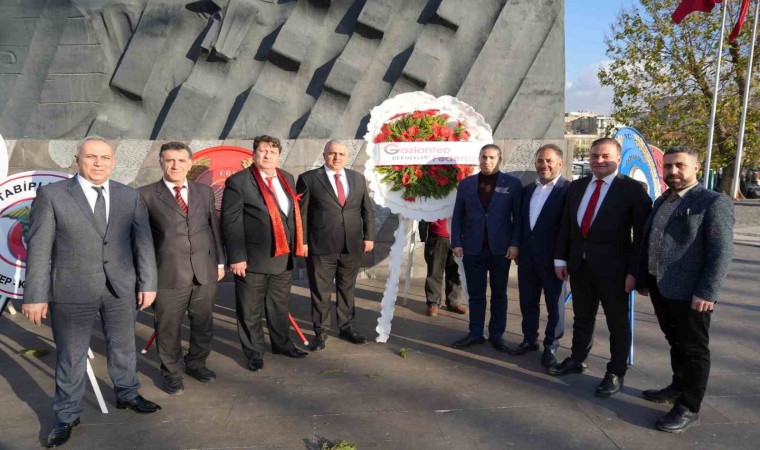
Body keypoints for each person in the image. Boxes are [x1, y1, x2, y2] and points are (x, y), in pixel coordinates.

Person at [23, 136, 161, 449]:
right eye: (91, 157)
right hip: (71, 291)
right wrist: (35, 295)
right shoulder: (53, 195)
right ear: (77, 160)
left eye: (105, 157)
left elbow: (143, 243)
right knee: (71, 356)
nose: (99, 163)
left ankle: (127, 393)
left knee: (123, 346)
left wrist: (148, 283)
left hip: (120, 288)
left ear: (113, 161)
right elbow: (39, 248)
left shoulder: (128, 196)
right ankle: (67, 414)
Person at [637, 146, 734, 433]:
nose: (673, 171)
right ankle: (678, 387)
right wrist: (644, 278)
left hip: (692, 292)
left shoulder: (713, 202)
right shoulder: (662, 200)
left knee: (694, 349)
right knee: (675, 341)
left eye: (680, 165)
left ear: (696, 168)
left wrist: (707, 291)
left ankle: (689, 406)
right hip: (661, 286)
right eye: (668, 166)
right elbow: (650, 240)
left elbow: (721, 251)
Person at [550, 137, 652, 398]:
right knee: (582, 317)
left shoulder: (633, 189)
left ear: (618, 158)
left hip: (615, 271)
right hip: (579, 267)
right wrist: (561, 259)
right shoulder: (577, 186)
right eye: (595, 156)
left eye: (605, 156)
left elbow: (642, 237)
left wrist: (635, 273)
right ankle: (577, 358)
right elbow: (566, 225)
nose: (599, 161)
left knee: (617, 323)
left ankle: (616, 372)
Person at [139, 142, 225, 395]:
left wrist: (220, 262)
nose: (175, 165)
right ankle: (172, 373)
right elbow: (141, 241)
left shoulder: (204, 192)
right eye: (170, 160)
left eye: (181, 160)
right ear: (161, 163)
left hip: (204, 270)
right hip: (167, 274)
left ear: (190, 164)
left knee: (203, 323)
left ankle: (197, 363)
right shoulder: (145, 195)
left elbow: (214, 229)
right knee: (168, 328)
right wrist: (146, 279)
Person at [221, 135, 308, 372]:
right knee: (250, 310)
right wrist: (236, 257)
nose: (268, 155)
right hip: (252, 260)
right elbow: (230, 223)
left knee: (279, 306)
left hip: (283, 257)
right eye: (263, 150)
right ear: (254, 153)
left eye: (273, 151)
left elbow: (291, 215)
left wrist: (301, 242)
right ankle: (254, 352)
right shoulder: (238, 182)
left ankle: (282, 345)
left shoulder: (287, 177)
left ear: (279, 156)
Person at [296, 140, 375, 350]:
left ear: (347, 157)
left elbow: (367, 210)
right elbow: (301, 214)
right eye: (332, 153)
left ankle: (347, 327)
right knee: (320, 291)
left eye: (341, 154)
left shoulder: (357, 179)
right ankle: (320, 332)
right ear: (324, 155)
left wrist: (369, 236)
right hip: (320, 247)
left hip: (351, 245)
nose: (337, 157)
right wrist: (302, 242)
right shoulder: (309, 179)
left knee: (347, 289)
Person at [450, 144, 522, 352]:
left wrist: (515, 243)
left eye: (492, 157)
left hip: (501, 249)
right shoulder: (466, 184)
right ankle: (475, 333)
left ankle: (497, 334)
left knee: (499, 294)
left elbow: (518, 218)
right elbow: (458, 216)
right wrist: (456, 242)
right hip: (473, 248)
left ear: (499, 160)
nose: (487, 161)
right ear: (479, 158)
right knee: (476, 295)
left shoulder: (512, 184)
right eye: (483, 157)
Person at [511, 144, 570, 367]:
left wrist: (562, 259)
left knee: (555, 306)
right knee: (528, 302)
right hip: (527, 258)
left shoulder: (568, 190)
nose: (543, 165)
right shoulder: (527, 190)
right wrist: (516, 245)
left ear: (560, 163)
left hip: (554, 261)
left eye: (548, 161)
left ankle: (551, 346)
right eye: (540, 161)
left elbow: (568, 229)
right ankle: (529, 339)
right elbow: (519, 221)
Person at [418, 219, 465, 317]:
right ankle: (433, 303)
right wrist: (423, 235)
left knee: (455, 272)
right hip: (436, 235)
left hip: (457, 236)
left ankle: (454, 302)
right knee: (435, 272)